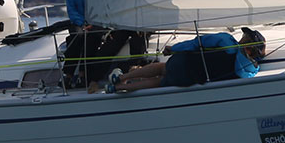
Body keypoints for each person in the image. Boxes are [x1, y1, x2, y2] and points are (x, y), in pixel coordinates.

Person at [110, 28, 266, 93]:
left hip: (186, 61)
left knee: (161, 68)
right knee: (158, 82)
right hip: (191, 78)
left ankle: (122, 78)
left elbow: (196, 43)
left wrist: (174, 48)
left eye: (245, 37)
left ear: (246, 43)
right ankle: (117, 88)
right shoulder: (250, 71)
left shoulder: (227, 41)